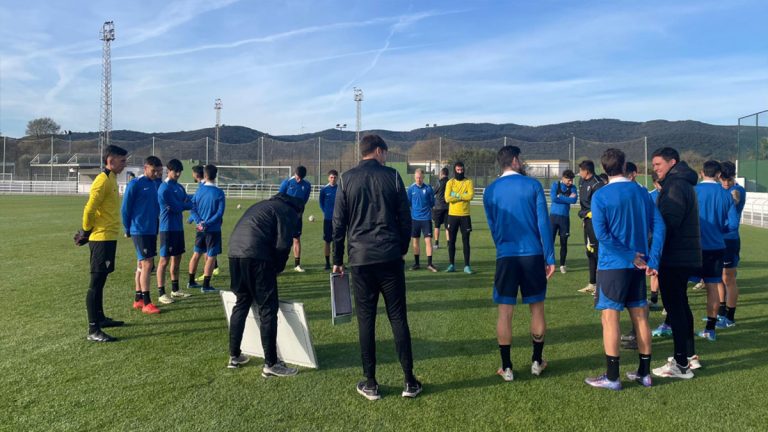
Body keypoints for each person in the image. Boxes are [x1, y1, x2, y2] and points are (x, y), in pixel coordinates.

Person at [332, 134, 421, 401]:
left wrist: (337, 259)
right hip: (390, 257)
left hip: (360, 260)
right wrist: (401, 248)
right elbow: (406, 219)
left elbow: (338, 224)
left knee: (366, 321)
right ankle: (409, 381)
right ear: (379, 151)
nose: (386, 156)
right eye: (386, 152)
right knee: (398, 318)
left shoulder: (346, 178)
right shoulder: (392, 177)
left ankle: (370, 383)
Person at [584, 149, 665, 390]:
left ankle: (612, 377)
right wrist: (653, 260)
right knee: (640, 317)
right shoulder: (641, 192)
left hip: (613, 266)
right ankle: (644, 374)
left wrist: (630, 256)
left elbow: (602, 235)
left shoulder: (601, 195)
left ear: (603, 167)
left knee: (609, 318)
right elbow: (660, 226)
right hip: (638, 265)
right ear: (624, 165)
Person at [483, 146, 556, 382]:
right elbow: (543, 224)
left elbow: (493, 227)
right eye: (520, 159)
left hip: (506, 255)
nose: (522, 162)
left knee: (505, 311)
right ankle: (536, 361)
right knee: (537, 307)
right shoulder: (532, 185)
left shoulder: (490, 190)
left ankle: (507, 367)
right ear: (514, 161)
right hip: (533, 255)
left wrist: (503, 247)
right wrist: (550, 257)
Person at [227, 192, 306, 376]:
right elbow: (282, 245)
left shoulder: (263, 205)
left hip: (234, 253)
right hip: (256, 256)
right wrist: (277, 268)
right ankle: (271, 363)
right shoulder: (287, 212)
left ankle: (234, 355)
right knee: (268, 309)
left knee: (242, 302)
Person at [649, 147, 702, 379]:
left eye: (658, 164)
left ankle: (681, 363)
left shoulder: (675, 185)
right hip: (682, 254)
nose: (655, 169)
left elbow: (668, 223)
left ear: (672, 162)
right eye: (654, 165)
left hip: (675, 255)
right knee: (681, 304)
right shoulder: (681, 183)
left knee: (675, 306)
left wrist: (653, 248)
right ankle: (687, 356)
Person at [77, 144, 128, 342]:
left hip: (109, 236)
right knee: (96, 283)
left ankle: (100, 318)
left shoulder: (112, 178)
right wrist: (87, 231)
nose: (125, 164)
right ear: (111, 160)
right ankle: (93, 329)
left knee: (103, 280)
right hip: (101, 238)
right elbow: (89, 209)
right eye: (122, 161)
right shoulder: (102, 180)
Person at [690, 160, 738, 341]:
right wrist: (719, 231)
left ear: (702, 173)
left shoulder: (692, 191)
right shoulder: (726, 195)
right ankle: (710, 329)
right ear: (718, 175)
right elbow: (733, 224)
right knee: (712, 287)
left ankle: (673, 323)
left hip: (693, 247)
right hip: (717, 247)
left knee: (681, 286)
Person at [121, 156, 163, 315]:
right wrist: (127, 228)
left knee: (141, 264)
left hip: (151, 229)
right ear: (145, 167)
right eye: (154, 170)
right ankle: (147, 303)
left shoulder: (155, 184)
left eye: (159, 171)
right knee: (147, 264)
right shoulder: (135, 184)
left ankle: (138, 299)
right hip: (139, 229)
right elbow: (125, 209)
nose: (156, 174)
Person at [156, 159, 194, 304]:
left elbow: (187, 203)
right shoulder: (164, 188)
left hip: (178, 228)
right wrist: (183, 205)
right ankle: (161, 293)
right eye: (175, 171)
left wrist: (183, 204)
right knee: (164, 260)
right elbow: (179, 207)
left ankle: (175, 290)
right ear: (168, 170)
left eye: (179, 171)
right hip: (167, 229)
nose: (177, 174)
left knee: (177, 258)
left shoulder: (179, 187)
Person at [189, 164, 226, 293]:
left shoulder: (199, 190)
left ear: (204, 175)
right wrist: (207, 223)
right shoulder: (219, 192)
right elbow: (219, 213)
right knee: (211, 257)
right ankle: (205, 285)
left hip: (200, 229)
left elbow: (192, 208)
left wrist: (199, 222)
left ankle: (191, 281)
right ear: (216, 176)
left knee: (196, 254)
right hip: (213, 229)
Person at [717, 161, 745, 327]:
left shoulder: (736, 190)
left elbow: (734, 201)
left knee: (729, 278)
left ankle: (730, 317)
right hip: (717, 239)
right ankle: (721, 312)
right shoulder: (720, 189)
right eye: (723, 180)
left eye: (729, 179)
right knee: (719, 277)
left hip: (730, 239)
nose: (726, 183)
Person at [577, 160, 605, 294]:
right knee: (589, 252)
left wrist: (590, 215)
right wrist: (584, 217)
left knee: (598, 251)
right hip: (586, 220)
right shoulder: (581, 182)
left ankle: (601, 285)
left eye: (581, 170)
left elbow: (599, 206)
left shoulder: (597, 183)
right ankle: (592, 283)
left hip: (595, 221)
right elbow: (583, 205)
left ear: (586, 171)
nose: (579, 173)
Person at [279, 166, 312, 272]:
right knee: (283, 239)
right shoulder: (287, 182)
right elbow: (279, 197)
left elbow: (304, 200)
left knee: (296, 239)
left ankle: (297, 265)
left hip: (297, 216)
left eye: (301, 178)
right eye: (297, 177)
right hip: (285, 216)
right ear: (295, 173)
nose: (299, 180)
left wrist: (299, 210)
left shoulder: (307, 185)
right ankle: (280, 265)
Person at [444, 161, 475, 274]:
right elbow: (447, 198)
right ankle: (451, 264)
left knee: (466, 242)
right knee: (451, 241)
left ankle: (467, 266)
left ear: (464, 170)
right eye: (458, 170)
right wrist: (463, 196)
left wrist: (456, 195)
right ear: (454, 170)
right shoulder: (450, 183)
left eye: (461, 170)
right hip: (452, 216)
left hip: (465, 216)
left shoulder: (468, 182)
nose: (460, 172)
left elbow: (470, 195)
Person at [408, 168, 437, 272]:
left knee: (428, 241)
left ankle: (430, 264)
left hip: (426, 219)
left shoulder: (428, 188)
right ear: (414, 177)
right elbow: (409, 203)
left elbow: (432, 203)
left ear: (423, 177)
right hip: (415, 219)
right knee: (415, 241)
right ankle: (417, 264)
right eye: (416, 177)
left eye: (420, 177)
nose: (418, 179)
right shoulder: (411, 189)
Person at [549, 170, 577, 274]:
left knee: (564, 243)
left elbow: (573, 201)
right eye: (569, 180)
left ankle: (562, 265)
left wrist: (560, 196)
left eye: (571, 180)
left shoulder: (573, 188)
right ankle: (548, 263)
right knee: (550, 242)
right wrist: (566, 198)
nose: (570, 182)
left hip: (564, 218)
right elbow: (553, 199)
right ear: (563, 178)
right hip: (553, 217)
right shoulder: (555, 185)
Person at [319, 170, 339, 271]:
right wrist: (326, 212)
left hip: (338, 219)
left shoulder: (340, 189)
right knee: (327, 241)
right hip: (328, 219)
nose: (333, 179)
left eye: (335, 177)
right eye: (331, 177)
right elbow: (321, 203)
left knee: (338, 241)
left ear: (337, 178)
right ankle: (327, 263)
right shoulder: (324, 190)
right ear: (328, 178)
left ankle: (338, 262)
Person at [432, 167, 450, 249]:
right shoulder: (451, 182)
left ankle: (436, 243)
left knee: (437, 226)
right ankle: (449, 243)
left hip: (438, 207)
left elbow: (433, 192)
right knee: (447, 226)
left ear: (442, 173)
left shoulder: (439, 182)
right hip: (448, 207)